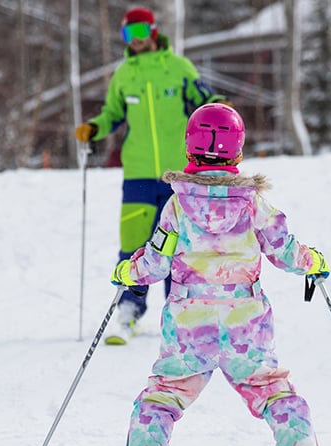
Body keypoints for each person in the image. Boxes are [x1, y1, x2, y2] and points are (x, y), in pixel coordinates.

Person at [107, 103, 331, 446]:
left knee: (164, 393)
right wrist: (312, 261)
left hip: (189, 324)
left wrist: (129, 272)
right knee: (273, 391)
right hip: (244, 323)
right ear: (238, 152)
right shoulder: (252, 203)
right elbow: (284, 250)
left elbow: (157, 262)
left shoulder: (177, 205)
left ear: (189, 147)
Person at [75, 6, 225, 344]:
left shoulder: (177, 68)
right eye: (129, 35)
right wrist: (93, 128)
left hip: (181, 175)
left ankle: (181, 314)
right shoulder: (124, 74)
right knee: (134, 244)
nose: (136, 41)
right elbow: (112, 114)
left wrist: (221, 108)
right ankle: (128, 312)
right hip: (139, 173)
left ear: (153, 32)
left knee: (180, 246)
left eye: (141, 33)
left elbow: (203, 102)